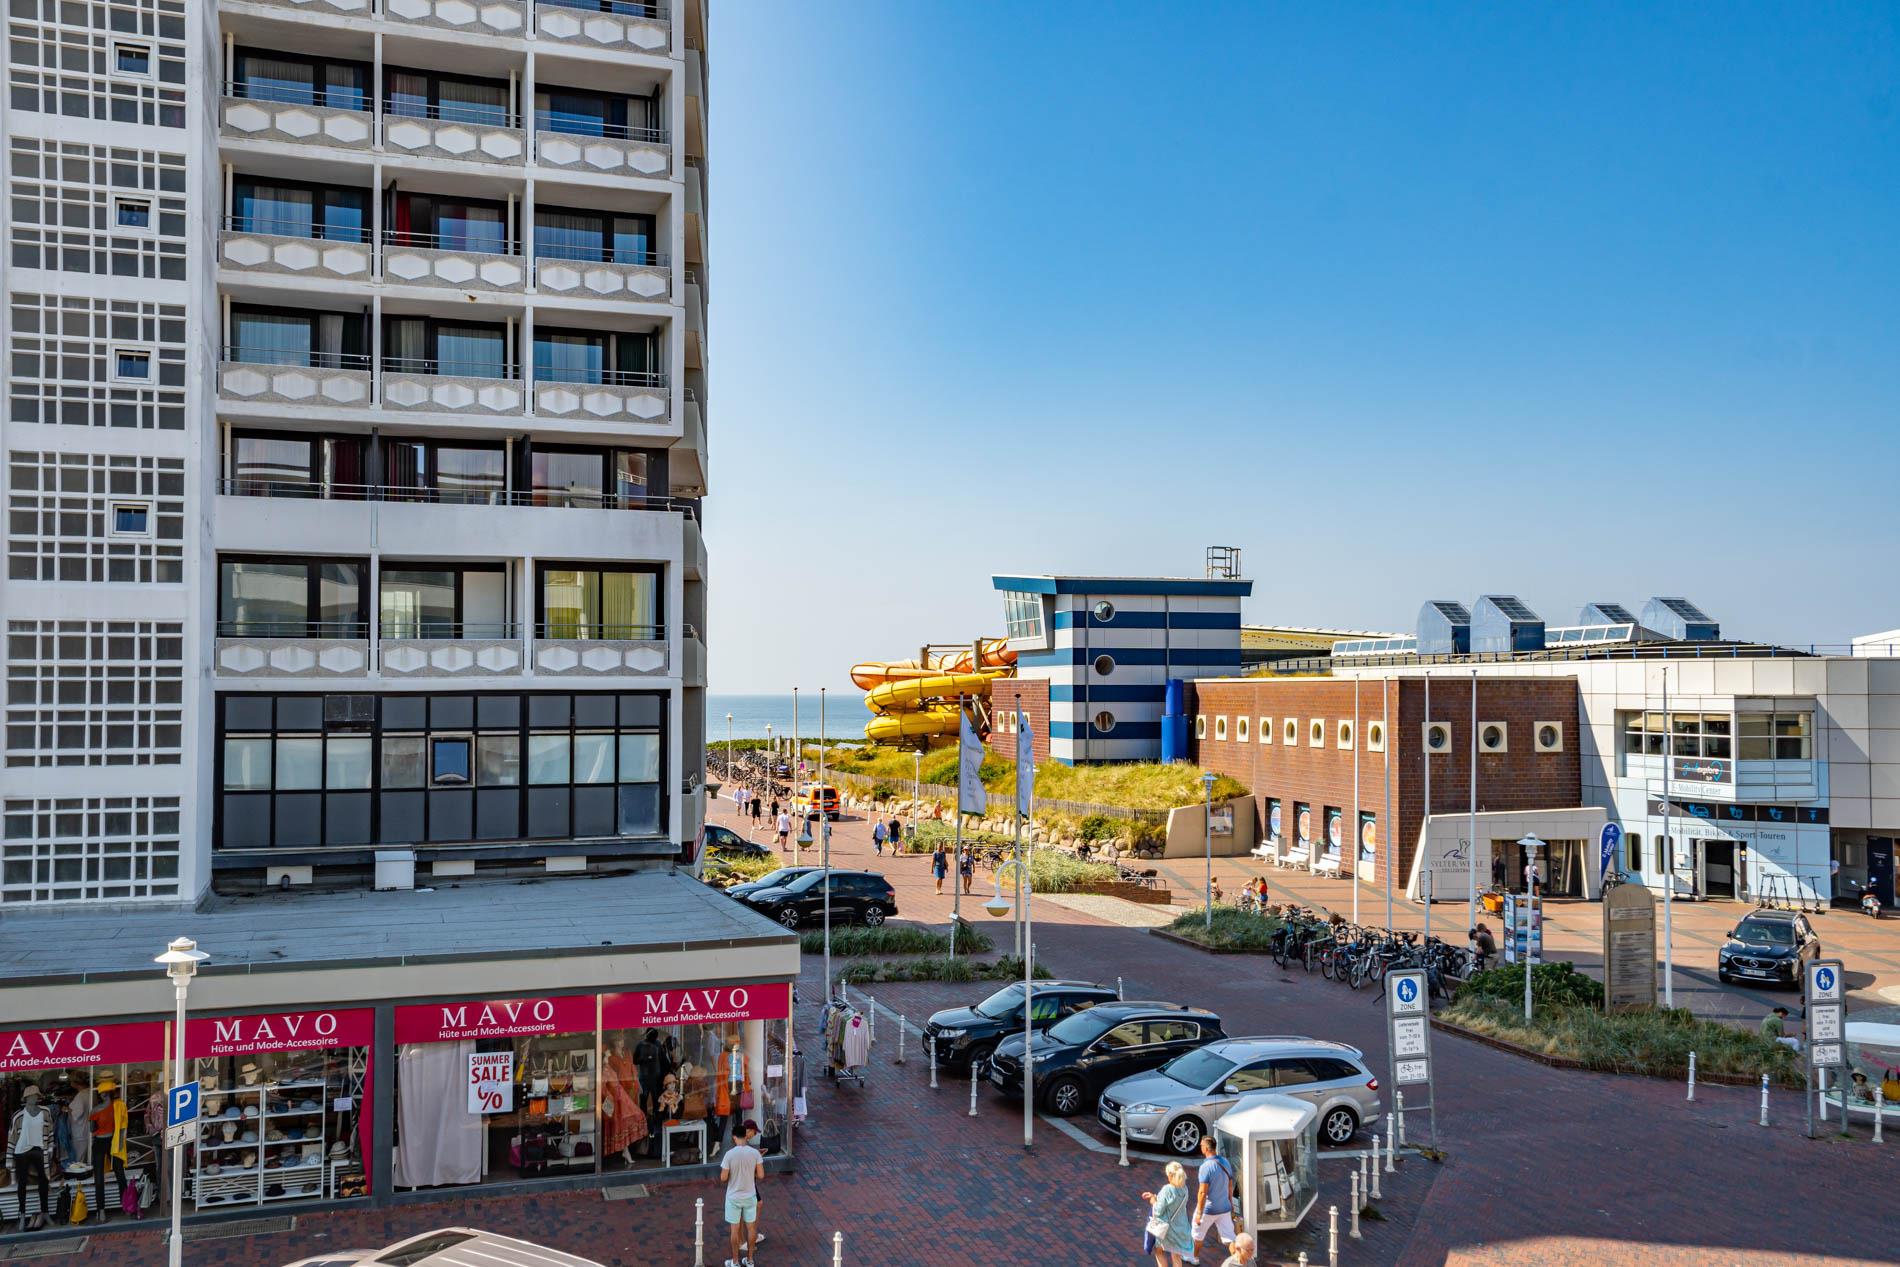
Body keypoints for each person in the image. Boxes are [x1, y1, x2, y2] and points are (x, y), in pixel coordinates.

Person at [719, 1119, 763, 1267]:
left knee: (734, 1229)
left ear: (734, 1137)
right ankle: (750, 1260)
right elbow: (761, 1175)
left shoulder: (729, 1154)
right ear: (745, 1135)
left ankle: (735, 1261)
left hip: (733, 1197)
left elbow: (723, 1178)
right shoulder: (755, 1153)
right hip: (750, 1196)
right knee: (751, 1228)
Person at [8, 1084, 52, 1231]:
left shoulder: (45, 1112)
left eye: (35, 1096)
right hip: (22, 1151)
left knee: (43, 1181)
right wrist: (9, 1157)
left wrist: (50, 1149)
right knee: (22, 1183)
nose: (33, 1098)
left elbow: (50, 1131)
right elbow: (12, 1136)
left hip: (39, 1149)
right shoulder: (18, 1115)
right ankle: (22, 1214)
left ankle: (45, 1212)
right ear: (25, 1098)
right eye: (30, 1096)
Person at [1141, 1160, 1194, 1267]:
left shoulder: (1167, 1189)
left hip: (1167, 1230)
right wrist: (1156, 1197)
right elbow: (1173, 1203)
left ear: (1170, 1175)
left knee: (1159, 1251)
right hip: (1181, 1228)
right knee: (1176, 1256)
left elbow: (1158, 1211)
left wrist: (1153, 1200)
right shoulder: (1184, 1188)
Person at [1191, 1135, 1237, 1258]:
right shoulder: (1225, 1162)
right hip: (1224, 1208)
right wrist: (1230, 1204)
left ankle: (1194, 1257)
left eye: (1201, 1145)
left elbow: (1202, 1192)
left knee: (1197, 1235)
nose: (1200, 1147)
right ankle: (1238, 1261)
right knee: (1230, 1238)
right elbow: (1230, 1185)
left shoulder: (1205, 1167)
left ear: (1206, 1148)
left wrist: (1199, 1213)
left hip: (1209, 1209)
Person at [88, 1076, 126, 1223]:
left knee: (99, 1177)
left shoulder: (95, 1110)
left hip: (99, 1142)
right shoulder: (120, 1106)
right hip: (114, 1142)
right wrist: (120, 1144)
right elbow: (123, 1127)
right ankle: (126, 1206)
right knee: (119, 1173)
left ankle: (101, 1211)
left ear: (102, 1094)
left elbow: (92, 1129)